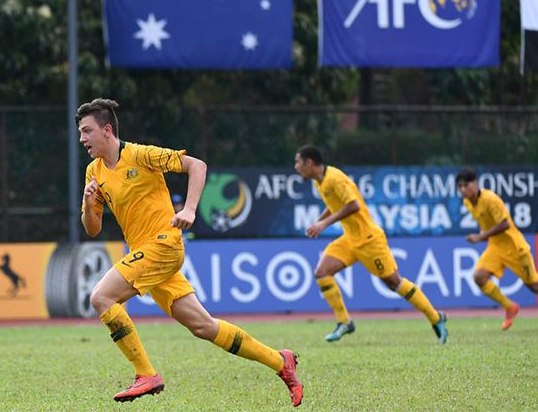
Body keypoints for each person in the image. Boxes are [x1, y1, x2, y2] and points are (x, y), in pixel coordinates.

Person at [77, 98, 303, 406]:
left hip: (164, 244)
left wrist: (191, 209)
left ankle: (146, 374)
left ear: (106, 130)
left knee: (101, 297)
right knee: (204, 326)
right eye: (80, 132)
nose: (82, 139)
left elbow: (197, 165)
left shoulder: (141, 155)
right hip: (146, 255)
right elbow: (93, 228)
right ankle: (281, 361)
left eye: (86, 131)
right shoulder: (94, 172)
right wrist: (90, 203)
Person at [294, 145, 448, 344]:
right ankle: (344, 322)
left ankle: (436, 317)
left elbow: (353, 205)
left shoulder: (335, 178)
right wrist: (320, 220)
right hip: (350, 238)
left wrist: (324, 223)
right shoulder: (320, 181)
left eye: (298, 162)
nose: (296, 167)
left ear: (310, 163)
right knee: (322, 272)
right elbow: (335, 206)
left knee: (394, 283)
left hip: (368, 240)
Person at [456, 168, 538, 330]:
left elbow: (505, 224)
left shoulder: (491, 199)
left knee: (534, 286)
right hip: (495, 246)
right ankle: (510, 307)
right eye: (460, 186)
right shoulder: (467, 202)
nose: (463, 189)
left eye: (466, 185)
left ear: (476, 183)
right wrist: (483, 235)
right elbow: (487, 224)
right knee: (479, 277)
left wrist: (480, 237)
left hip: (515, 247)